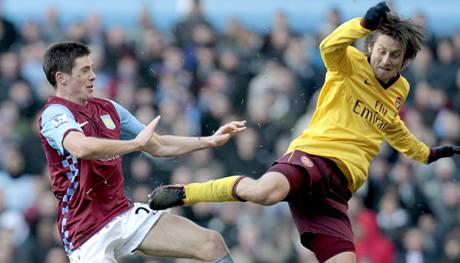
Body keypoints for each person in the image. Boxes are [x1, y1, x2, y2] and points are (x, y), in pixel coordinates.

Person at [148, 2, 460, 263]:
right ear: (370, 47)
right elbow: (329, 46)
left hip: (339, 188)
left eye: (394, 56)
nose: (386, 60)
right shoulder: (349, 62)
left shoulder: (400, 90)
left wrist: (427, 154)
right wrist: (363, 24)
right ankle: (187, 192)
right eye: (381, 51)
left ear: (405, 61)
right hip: (314, 156)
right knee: (262, 194)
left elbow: (392, 127)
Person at [38, 41, 246, 263]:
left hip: (123, 213)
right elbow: (80, 147)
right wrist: (134, 145)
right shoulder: (54, 114)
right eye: (85, 70)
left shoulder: (108, 108)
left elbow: (158, 145)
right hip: (85, 232)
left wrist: (210, 140)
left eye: (93, 68)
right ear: (62, 78)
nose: (93, 76)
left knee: (211, 243)